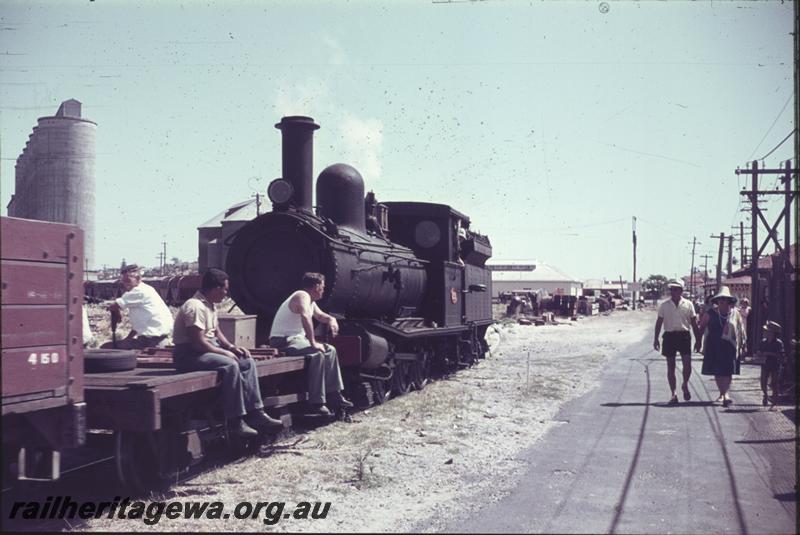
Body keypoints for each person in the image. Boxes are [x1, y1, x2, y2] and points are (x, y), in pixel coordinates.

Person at [172, 268, 282, 437]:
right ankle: (235, 421)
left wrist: (231, 347)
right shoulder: (194, 307)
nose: (225, 293)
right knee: (230, 365)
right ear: (215, 289)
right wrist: (224, 354)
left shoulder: (209, 305)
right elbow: (197, 342)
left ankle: (255, 413)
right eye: (224, 289)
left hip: (205, 350)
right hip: (189, 355)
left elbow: (216, 332)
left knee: (246, 361)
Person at [269, 272, 352, 415]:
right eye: (323, 287)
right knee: (317, 353)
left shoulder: (310, 301)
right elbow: (305, 316)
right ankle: (317, 402)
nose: (323, 290)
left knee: (330, 350)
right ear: (316, 286)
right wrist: (313, 342)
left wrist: (332, 320)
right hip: (283, 340)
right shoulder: (302, 296)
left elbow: (320, 316)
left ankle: (334, 394)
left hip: (295, 340)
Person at [100, 264, 173, 349]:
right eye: (123, 281)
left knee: (106, 347)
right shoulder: (146, 289)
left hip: (152, 342)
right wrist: (127, 339)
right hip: (154, 339)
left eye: (127, 280)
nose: (125, 284)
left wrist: (117, 312)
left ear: (138, 279)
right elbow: (140, 326)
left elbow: (113, 306)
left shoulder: (138, 291)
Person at [696, 286, 746, 407]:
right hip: (714, 345)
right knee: (718, 370)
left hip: (730, 346)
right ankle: (723, 394)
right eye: (720, 299)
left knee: (728, 371)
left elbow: (740, 330)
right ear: (717, 301)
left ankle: (725, 394)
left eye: (725, 299)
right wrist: (698, 342)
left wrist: (743, 345)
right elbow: (701, 328)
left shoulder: (735, 314)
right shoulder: (710, 314)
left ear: (729, 301)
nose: (722, 301)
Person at [653, 279, 701, 405]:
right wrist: (656, 338)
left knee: (687, 364)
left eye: (675, 289)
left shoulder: (688, 304)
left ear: (681, 291)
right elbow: (659, 322)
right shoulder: (664, 305)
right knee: (671, 365)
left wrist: (698, 340)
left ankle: (685, 384)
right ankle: (673, 394)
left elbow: (694, 323)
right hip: (669, 336)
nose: (673, 291)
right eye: (671, 289)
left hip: (684, 336)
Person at [757, 321, 784, 407]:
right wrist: (759, 353)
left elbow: (780, 355)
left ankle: (775, 401)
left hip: (775, 365)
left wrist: (769, 353)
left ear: (773, 333)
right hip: (765, 364)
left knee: (774, 383)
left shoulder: (779, 343)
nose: (765, 333)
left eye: (767, 331)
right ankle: (765, 395)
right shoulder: (763, 342)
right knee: (763, 382)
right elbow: (759, 351)